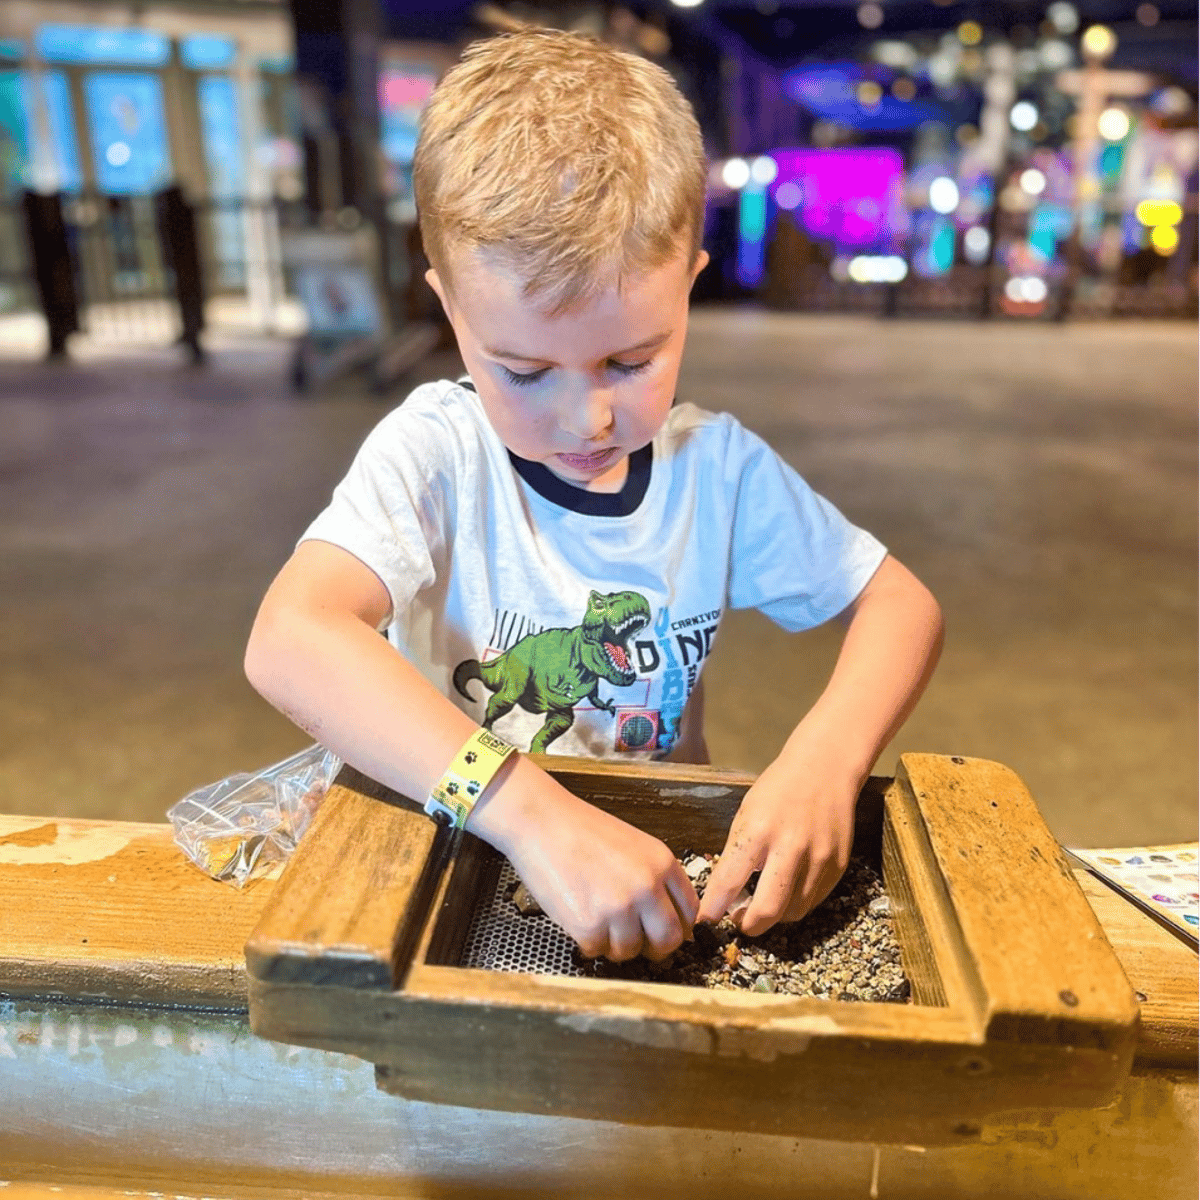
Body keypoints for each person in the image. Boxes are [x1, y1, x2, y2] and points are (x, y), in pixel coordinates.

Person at [244, 27, 943, 965]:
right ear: (450, 308)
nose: (589, 418)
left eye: (631, 359)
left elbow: (901, 606)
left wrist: (826, 758)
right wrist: (531, 817)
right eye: (525, 371)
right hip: (458, 852)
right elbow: (291, 639)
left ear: (689, 287)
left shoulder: (716, 470)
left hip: (653, 862)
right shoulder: (436, 454)